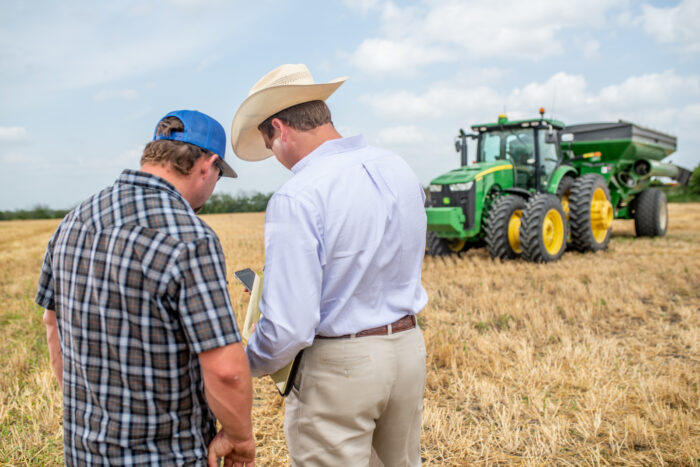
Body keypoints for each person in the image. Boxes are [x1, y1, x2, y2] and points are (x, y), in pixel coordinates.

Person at [230, 64, 429, 466]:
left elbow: (291, 326)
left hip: (340, 367)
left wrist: (245, 363)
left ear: (280, 130)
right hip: (408, 352)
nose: (276, 158)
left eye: (270, 147)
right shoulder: (398, 168)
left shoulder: (297, 195)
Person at [36, 110, 255, 466]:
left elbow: (52, 324)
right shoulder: (190, 237)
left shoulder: (74, 219)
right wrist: (239, 436)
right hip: (165, 455)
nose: (215, 186)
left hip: (83, 450)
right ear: (208, 164)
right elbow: (225, 370)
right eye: (218, 175)